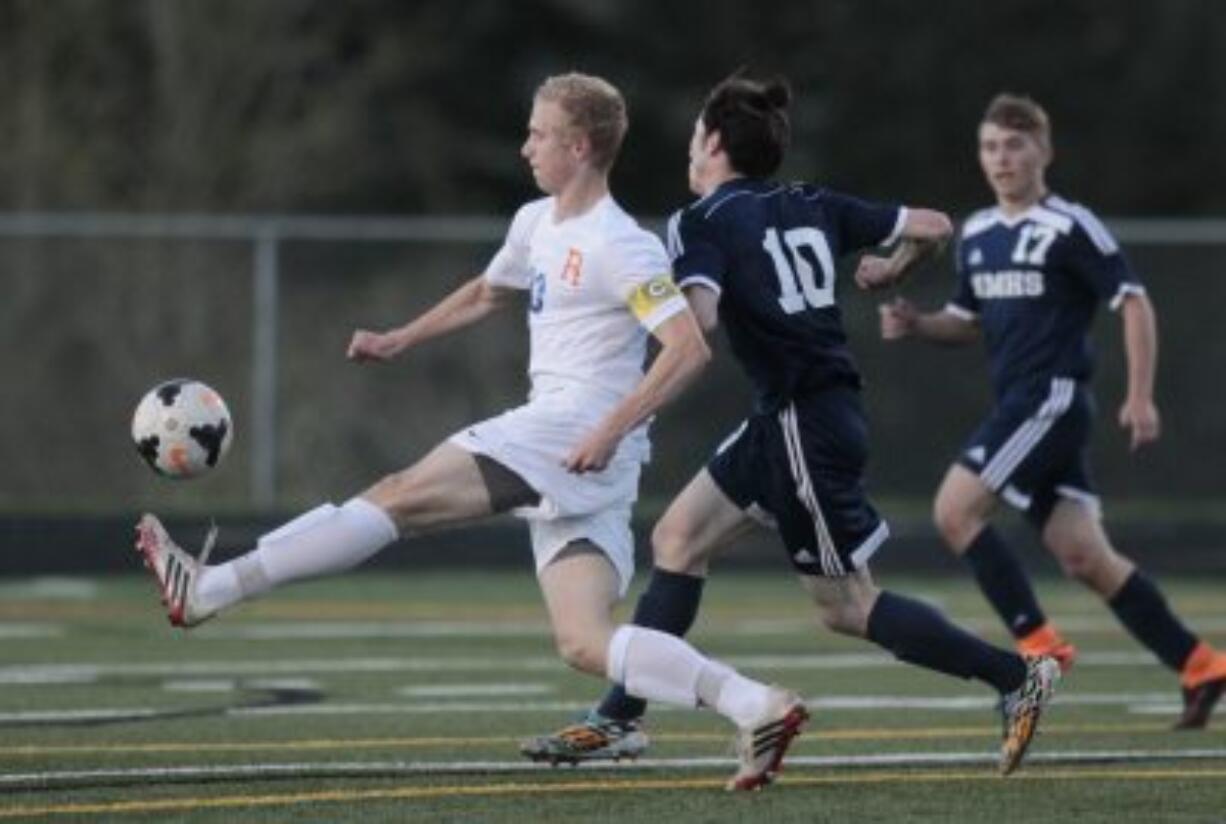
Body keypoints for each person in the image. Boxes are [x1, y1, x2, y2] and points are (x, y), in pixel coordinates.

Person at [134, 72, 811, 792]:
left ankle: (210, 589)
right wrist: (401, 338)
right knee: (584, 643)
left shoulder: (623, 245)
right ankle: (755, 704)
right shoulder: (536, 222)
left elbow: (688, 348)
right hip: (580, 452)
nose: (526, 148)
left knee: (396, 496)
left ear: (579, 147)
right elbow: (490, 291)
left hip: (574, 428)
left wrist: (611, 427)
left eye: (539, 134)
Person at [521, 74, 1059, 777]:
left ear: (713, 142)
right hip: (788, 416)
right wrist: (891, 268)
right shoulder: (812, 201)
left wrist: (635, 324)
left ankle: (1016, 677)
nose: (690, 148)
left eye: (694, 136)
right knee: (678, 538)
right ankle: (619, 720)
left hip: (808, 421)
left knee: (845, 606)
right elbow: (933, 225)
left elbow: (702, 323)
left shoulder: (702, 220)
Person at [876, 93, 1226, 729]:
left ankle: (1040, 649)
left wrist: (1140, 394)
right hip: (1021, 405)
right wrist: (918, 323)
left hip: (1052, 399)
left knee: (954, 510)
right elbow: (966, 321)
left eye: (1014, 145)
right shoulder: (978, 233)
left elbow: (1134, 302)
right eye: (990, 147)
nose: (1001, 159)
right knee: (1084, 557)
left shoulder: (1071, 225)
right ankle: (1201, 664)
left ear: (1044, 151)